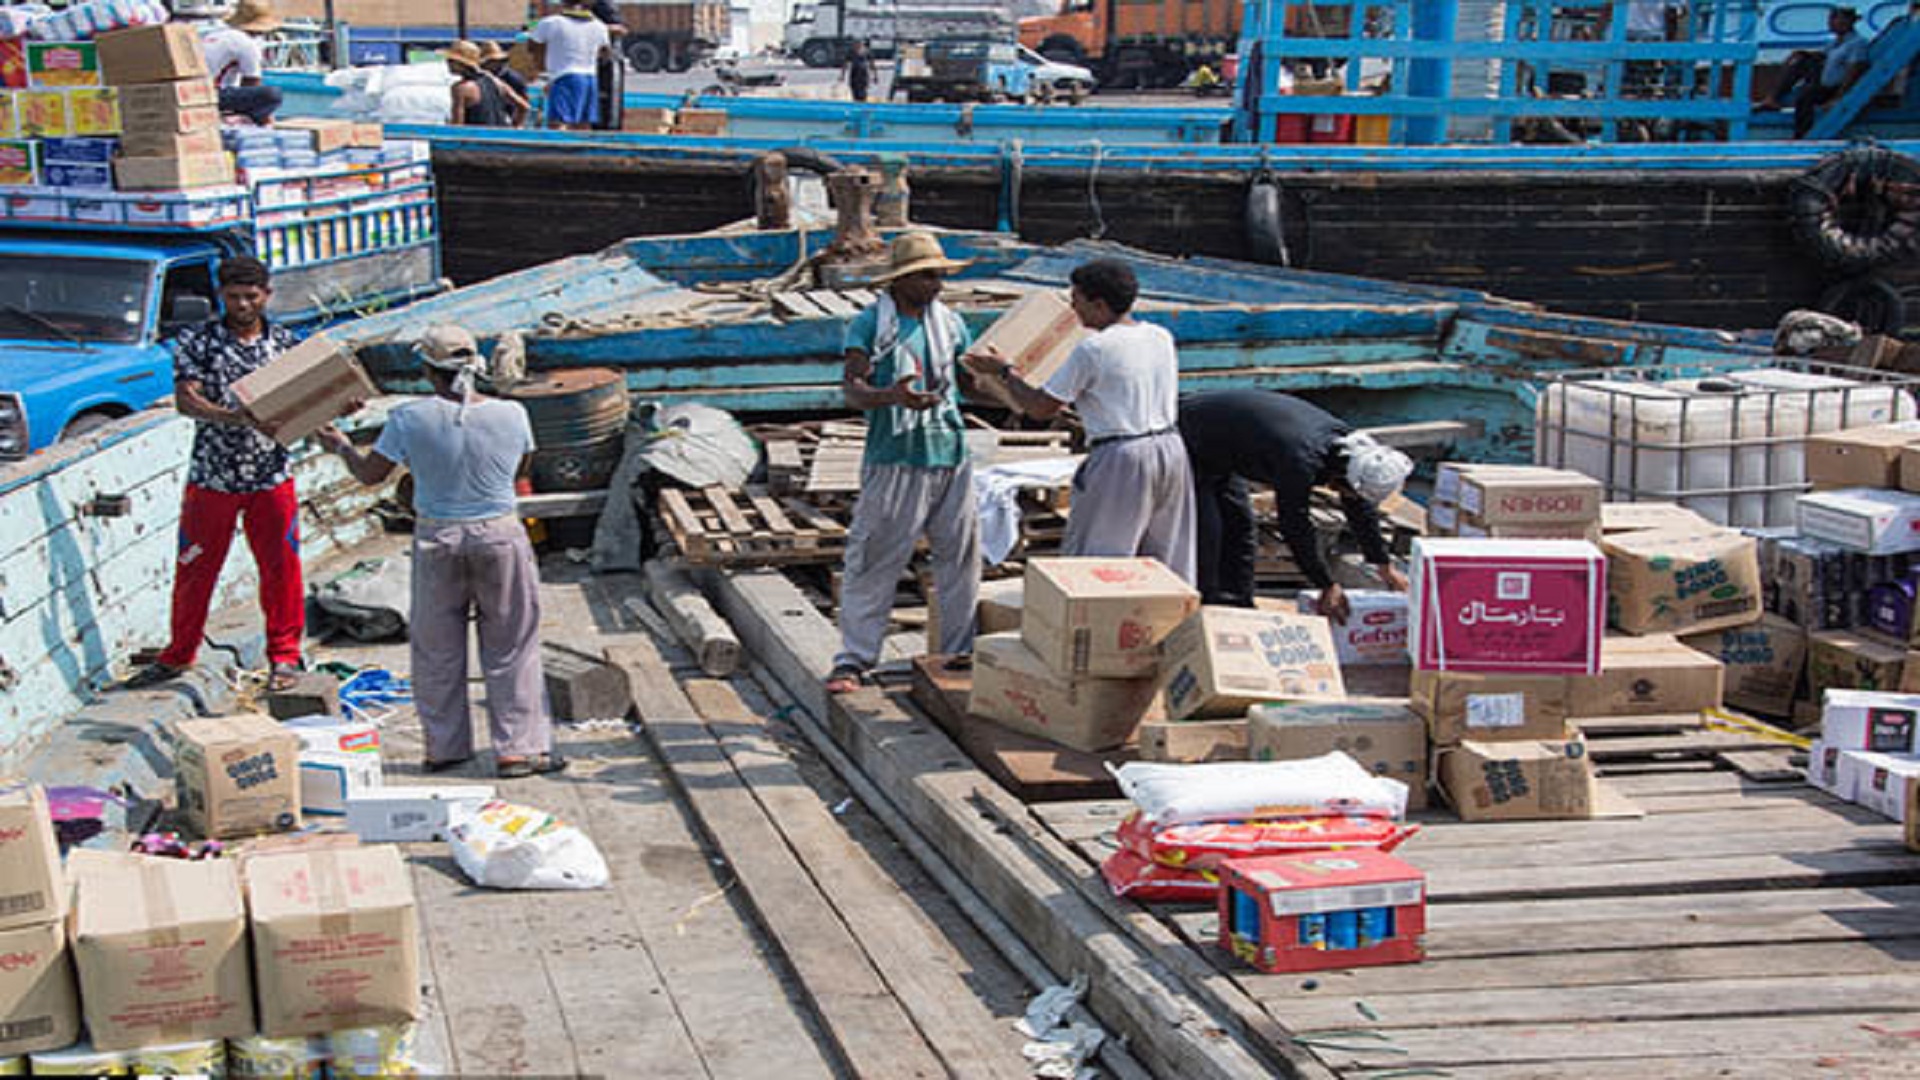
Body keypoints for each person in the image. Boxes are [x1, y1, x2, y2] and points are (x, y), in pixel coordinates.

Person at [318, 326, 567, 779]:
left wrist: (339, 446)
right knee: (512, 647)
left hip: (438, 539)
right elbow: (523, 467)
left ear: (428, 370)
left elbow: (371, 475)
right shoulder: (513, 413)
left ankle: (445, 748)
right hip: (499, 535)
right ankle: (518, 749)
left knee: (437, 650)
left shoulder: (408, 418)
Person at [128, 257, 306, 691]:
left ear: (266, 294)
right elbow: (187, 401)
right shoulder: (198, 342)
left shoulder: (285, 343)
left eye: (251, 296)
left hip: (271, 475)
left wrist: (339, 406)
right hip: (213, 478)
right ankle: (179, 653)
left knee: (282, 569)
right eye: (233, 297)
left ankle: (285, 656)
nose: (243, 304)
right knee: (195, 568)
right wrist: (238, 419)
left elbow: (306, 402)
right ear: (220, 296)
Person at [965, 258, 1196, 584]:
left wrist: (1005, 372)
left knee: (1099, 562)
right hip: (1170, 448)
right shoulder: (1159, 336)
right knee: (1164, 557)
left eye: (1078, 302)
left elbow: (1041, 408)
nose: (1074, 310)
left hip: (1122, 454)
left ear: (1099, 304)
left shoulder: (1094, 348)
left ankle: (1099, 628)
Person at [826, 233, 982, 694]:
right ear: (903, 280)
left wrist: (1003, 374)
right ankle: (853, 659)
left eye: (940, 276)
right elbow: (853, 388)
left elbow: (967, 383)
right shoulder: (872, 324)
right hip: (896, 457)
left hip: (950, 453)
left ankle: (958, 652)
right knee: (874, 559)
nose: (937, 284)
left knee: (961, 561)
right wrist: (890, 396)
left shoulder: (950, 323)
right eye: (928, 276)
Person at [1177, 389, 1412, 622]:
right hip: (1189, 436)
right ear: (1344, 476)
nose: (1347, 496)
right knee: (1209, 533)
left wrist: (1383, 565)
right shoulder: (1301, 459)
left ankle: (1239, 611)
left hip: (1225, 444)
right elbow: (1294, 524)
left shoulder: (1350, 450)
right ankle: (1203, 615)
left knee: (1240, 527)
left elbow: (1359, 506)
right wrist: (1325, 583)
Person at [1758, 6, 1870, 137]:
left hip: (1833, 88)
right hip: (1822, 79)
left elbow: (1854, 70)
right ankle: (1773, 98)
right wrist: (1801, 53)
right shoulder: (1835, 42)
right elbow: (1822, 56)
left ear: (1848, 21)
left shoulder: (1857, 43)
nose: (1831, 23)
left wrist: (1838, 97)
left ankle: (1802, 135)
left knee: (1805, 98)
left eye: (1835, 18)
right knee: (1800, 61)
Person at [532, 0, 611, 131]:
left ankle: (556, 151)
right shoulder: (599, 26)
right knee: (583, 126)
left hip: (564, 77)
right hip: (590, 79)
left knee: (557, 124)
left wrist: (546, 71)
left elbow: (533, 47)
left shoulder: (550, 23)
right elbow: (606, 53)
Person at [201, 0, 284, 125]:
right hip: (214, 95)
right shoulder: (248, 45)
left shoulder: (216, 35)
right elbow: (251, 84)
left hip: (199, 92)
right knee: (272, 95)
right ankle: (245, 120)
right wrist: (265, 117)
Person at [445, 40, 527, 127]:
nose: (447, 63)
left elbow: (457, 127)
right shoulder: (496, 81)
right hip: (501, 137)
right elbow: (523, 107)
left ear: (462, 63)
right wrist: (515, 129)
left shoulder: (460, 89)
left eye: (451, 60)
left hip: (476, 139)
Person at [481, 40, 533, 126]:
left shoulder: (513, 79)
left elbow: (524, 104)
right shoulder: (482, 77)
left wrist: (517, 126)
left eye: (494, 61)